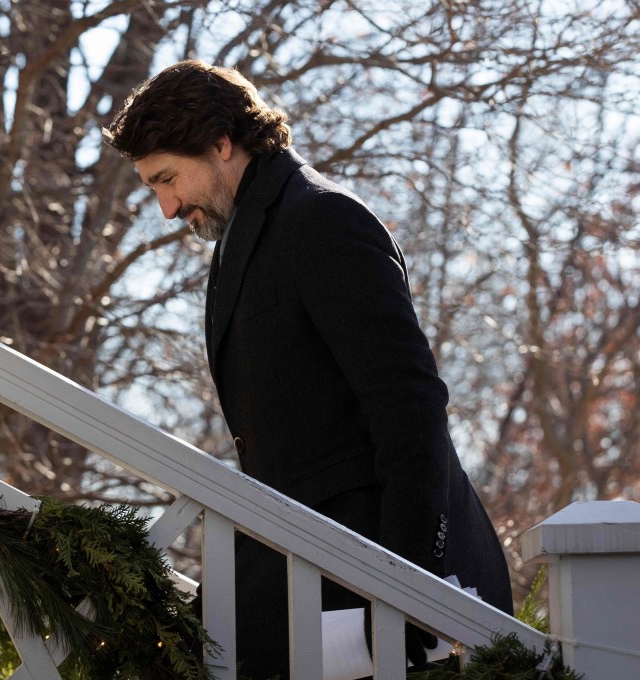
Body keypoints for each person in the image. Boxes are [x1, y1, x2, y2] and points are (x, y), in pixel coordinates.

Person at [104, 60, 513, 679]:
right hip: (313, 582)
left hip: (387, 590)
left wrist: (404, 585)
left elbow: (410, 408)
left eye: (167, 178)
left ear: (221, 143)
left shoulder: (322, 219)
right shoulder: (247, 236)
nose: (165, 208)